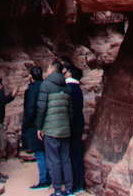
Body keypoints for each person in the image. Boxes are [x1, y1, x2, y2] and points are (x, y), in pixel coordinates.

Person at [36, 60, 74, 196]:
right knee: (66, 159)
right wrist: (67, 126)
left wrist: (39, 127)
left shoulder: (45, 85)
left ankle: (57, 191)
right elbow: (71, 113)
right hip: (65, 130)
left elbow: (41, 108)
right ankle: (69, 190)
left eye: (48, 67)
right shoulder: (67, 88)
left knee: (54, 160)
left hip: (51, 130)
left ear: (52, 69)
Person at [22, 65, 50, 190]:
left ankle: (44, 180)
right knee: (47, 152)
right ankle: (50, 177)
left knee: (39, 153)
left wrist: (26, 124)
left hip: (35, 125)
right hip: (47, 123)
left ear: (30, 77)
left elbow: (30, 109)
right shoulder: (46, 87)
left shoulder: (32, 90)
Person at [64, 64, 85, 194]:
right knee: (77, 154)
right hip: (79, 123)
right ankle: (79, 184)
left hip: (71, 125)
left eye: (65, 71)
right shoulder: (78, 88)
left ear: (70, 73)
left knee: (70, 155)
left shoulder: (68, 88)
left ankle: (72, 186)